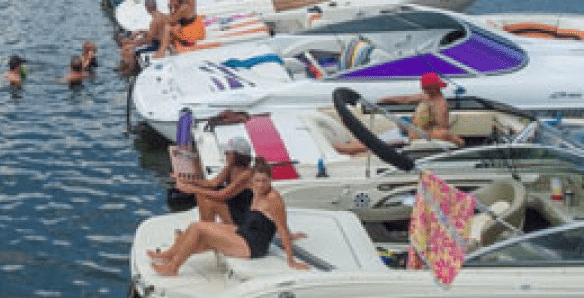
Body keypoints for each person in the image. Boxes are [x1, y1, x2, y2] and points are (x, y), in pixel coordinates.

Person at [148, 159, 308, 275]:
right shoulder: (255, 188)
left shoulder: (274, 199)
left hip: (253, 246)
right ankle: (168, 255)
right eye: (257, 181)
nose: (260, 185)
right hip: (244, 232)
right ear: (252, 181)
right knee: (194, 226)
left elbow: (281, 225)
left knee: (199, 228)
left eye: (264, 181)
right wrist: (185, 181)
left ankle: (173, 267)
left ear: (271, 180)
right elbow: (213, 185)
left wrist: (291, 259)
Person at [334, 72, 465, 154]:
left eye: (425, 87)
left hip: (412, 137)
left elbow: (443, 131)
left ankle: (343, 149)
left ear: (433, 88)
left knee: (373, 143)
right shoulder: (428, 97)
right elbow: (406, 99)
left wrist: (416, 132)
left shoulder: (440, 106)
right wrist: (386, 99)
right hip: (407, 130)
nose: (422, 89)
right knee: (374, 138)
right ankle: (346, 148)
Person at [172, 137, 255, 225]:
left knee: (208, 199)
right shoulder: (230, 167)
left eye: (228, 152)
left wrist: (191, 189)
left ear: (238, 156)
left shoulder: (247, 174)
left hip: (242, 215)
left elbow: (222, 195)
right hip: (234, 205)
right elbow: (212, 183)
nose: (225, 154)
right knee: (201, 195)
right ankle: (206, 229)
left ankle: (206, 230)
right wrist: (185, 180)